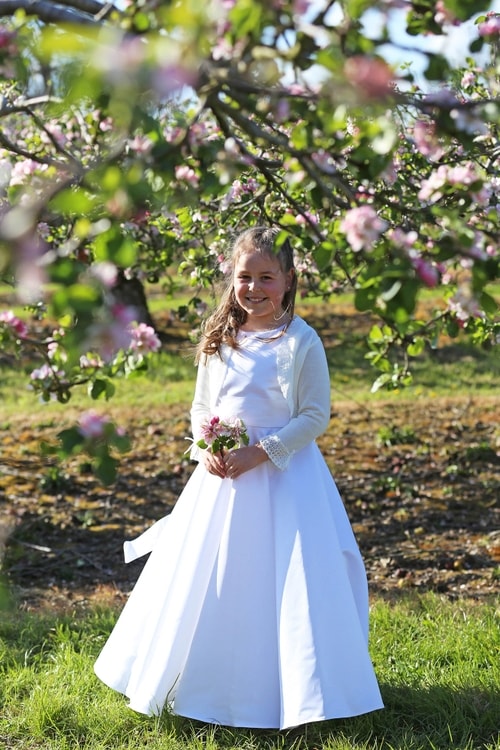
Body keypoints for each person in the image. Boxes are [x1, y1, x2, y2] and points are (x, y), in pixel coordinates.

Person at [94, 226, 384, 729]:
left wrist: (262, 452)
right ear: (231, 277)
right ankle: (198, 681)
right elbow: (202, 406)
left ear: (289, 281)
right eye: (244, 276)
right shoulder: (220, 334)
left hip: (285, 479)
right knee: (213, 576)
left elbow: (314, 416)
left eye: (266, 278)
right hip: (221, 478)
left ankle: (289, 690)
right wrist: (206, 447)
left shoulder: (300, 342)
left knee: (284, 582)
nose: (253, 288)